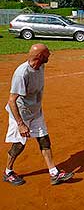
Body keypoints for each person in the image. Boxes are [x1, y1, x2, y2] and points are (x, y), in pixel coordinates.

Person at [3, 43, 74, 186]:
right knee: (19, 145)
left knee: (44, 140)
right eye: (47, 53)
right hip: (21, 114)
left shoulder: (41, 65)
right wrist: (21, 124)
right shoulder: (22, 73)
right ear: (41, 56)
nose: (50, 54)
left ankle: (54, 173)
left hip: (36, 111)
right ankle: (8, 172)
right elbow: (11, 101)